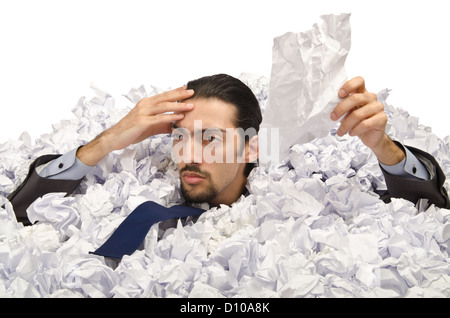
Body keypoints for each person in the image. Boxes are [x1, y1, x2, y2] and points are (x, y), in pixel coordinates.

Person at [6, 74, 449, 228]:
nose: (187, 153)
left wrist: (381, 146)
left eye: (209, 137)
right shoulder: (142, 182)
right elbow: (23, 211)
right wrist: (107, 141)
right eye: (180, 135)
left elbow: (427, 216)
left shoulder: (308, 200)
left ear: (251, 145)